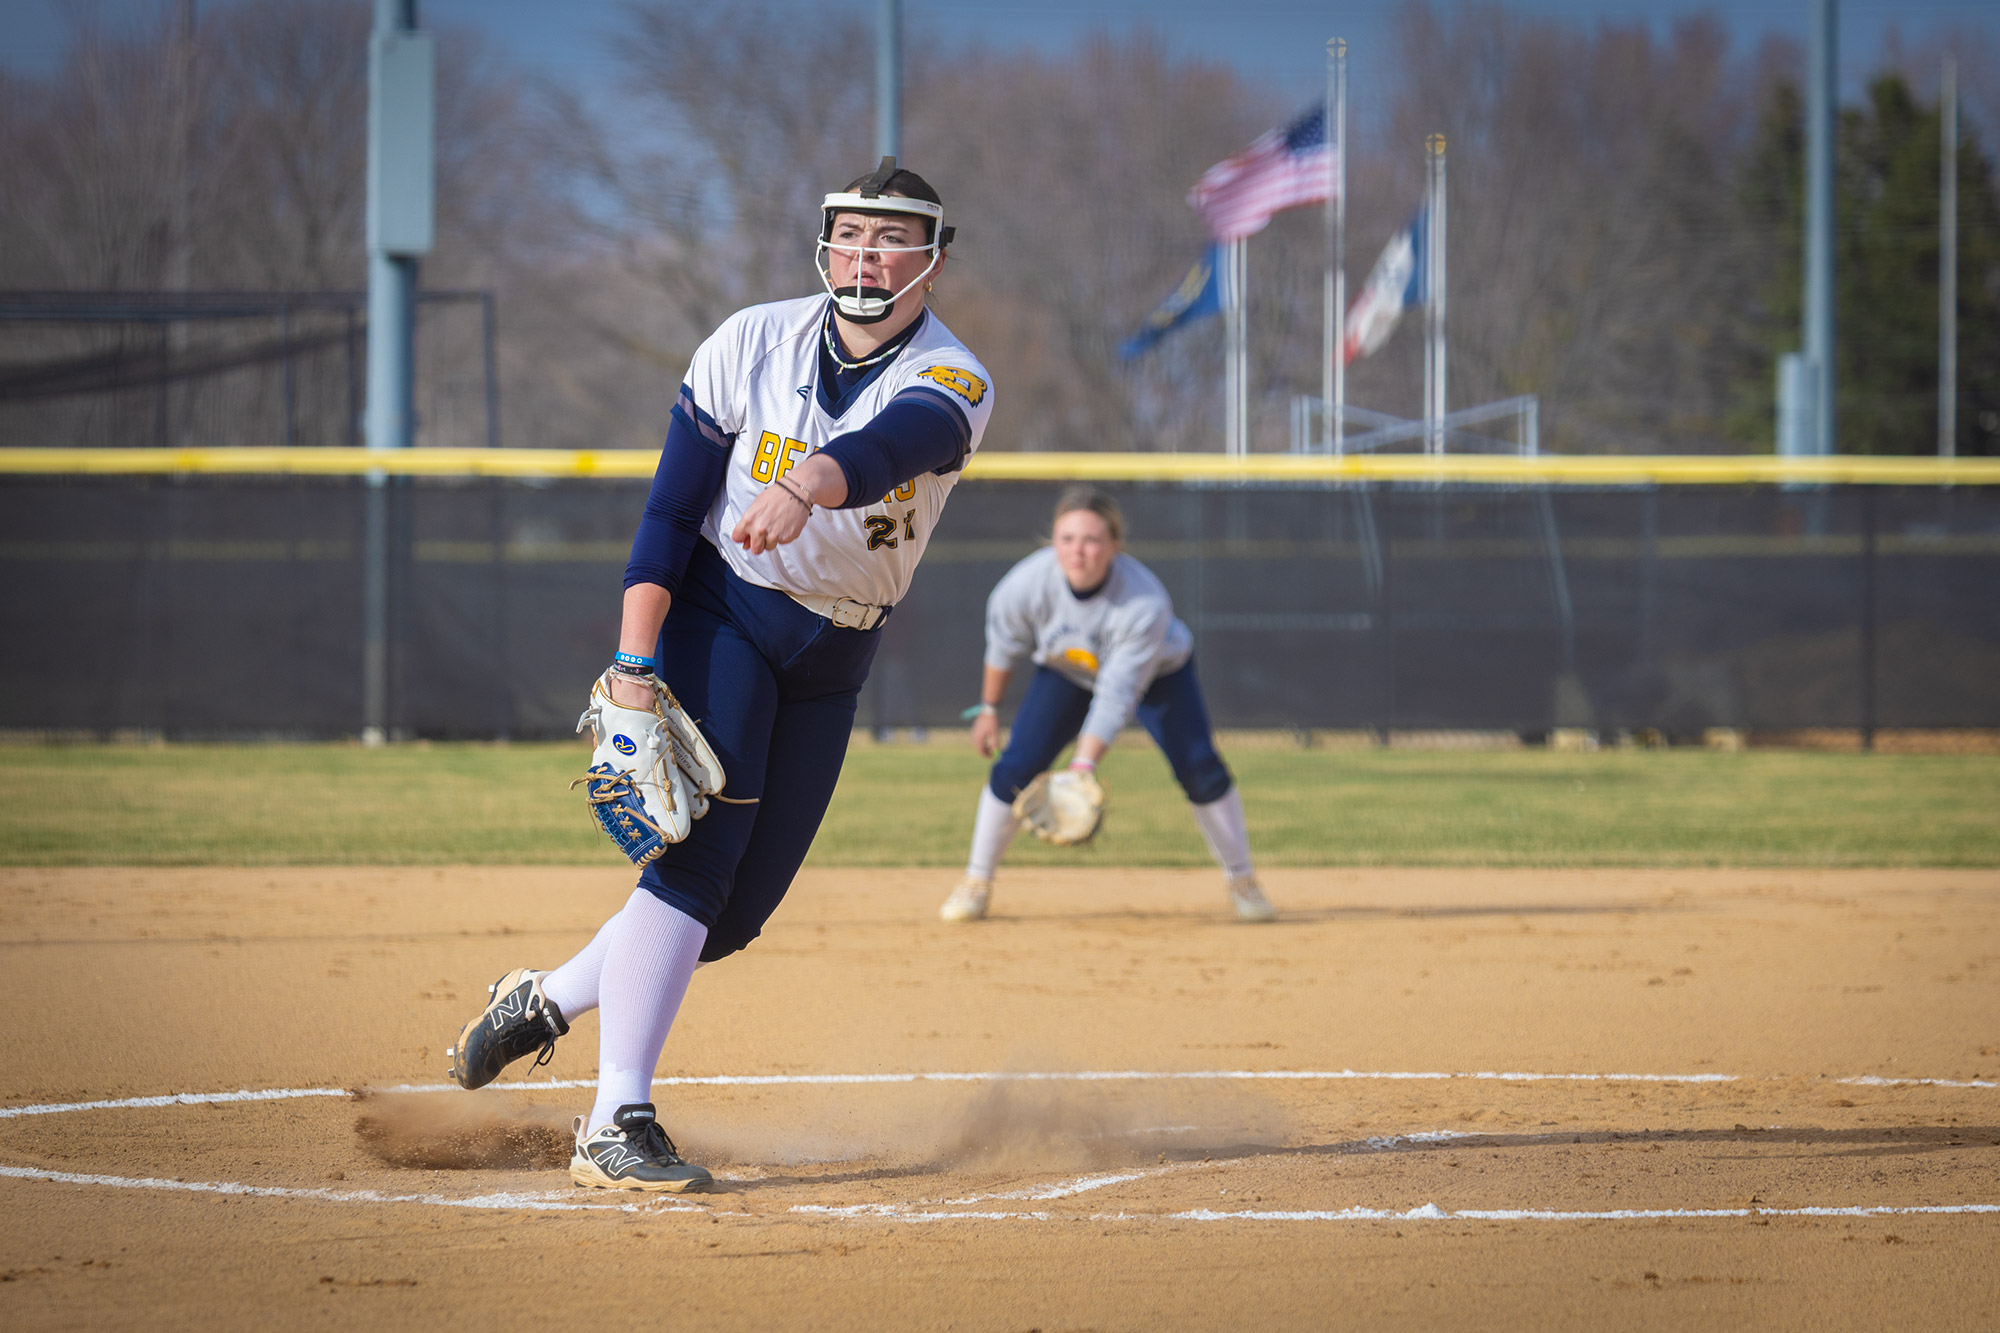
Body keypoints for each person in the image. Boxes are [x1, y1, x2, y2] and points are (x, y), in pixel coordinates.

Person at [444, 158, 994, 1193]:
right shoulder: (750, 340)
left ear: (932, 255)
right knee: (696, 865)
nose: (863, 253)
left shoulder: (958, 376)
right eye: (848, 233)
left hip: (837, 650)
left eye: (888, 236)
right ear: (823, 242)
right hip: (725, 606)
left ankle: (545, 1000)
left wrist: (804, 485)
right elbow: (666, 515)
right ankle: (616, 1121)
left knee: (731, 917)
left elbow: (892, 444)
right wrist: (633, 665)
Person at [939, 486, 1275, 925]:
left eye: (1092, 540)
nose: (1078, 551)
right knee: (1014, 768)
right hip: (1067, 672)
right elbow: (1004, 648)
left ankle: (1242, 880)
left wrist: (1082, 768)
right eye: (1067, 539)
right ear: (1052, 542)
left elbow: (1117, 694)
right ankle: (976, 883)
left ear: (1115, 546)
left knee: (1200, 768)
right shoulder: (1024, 586)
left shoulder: (1144, 602)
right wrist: (987, 709)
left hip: (1159, 675)